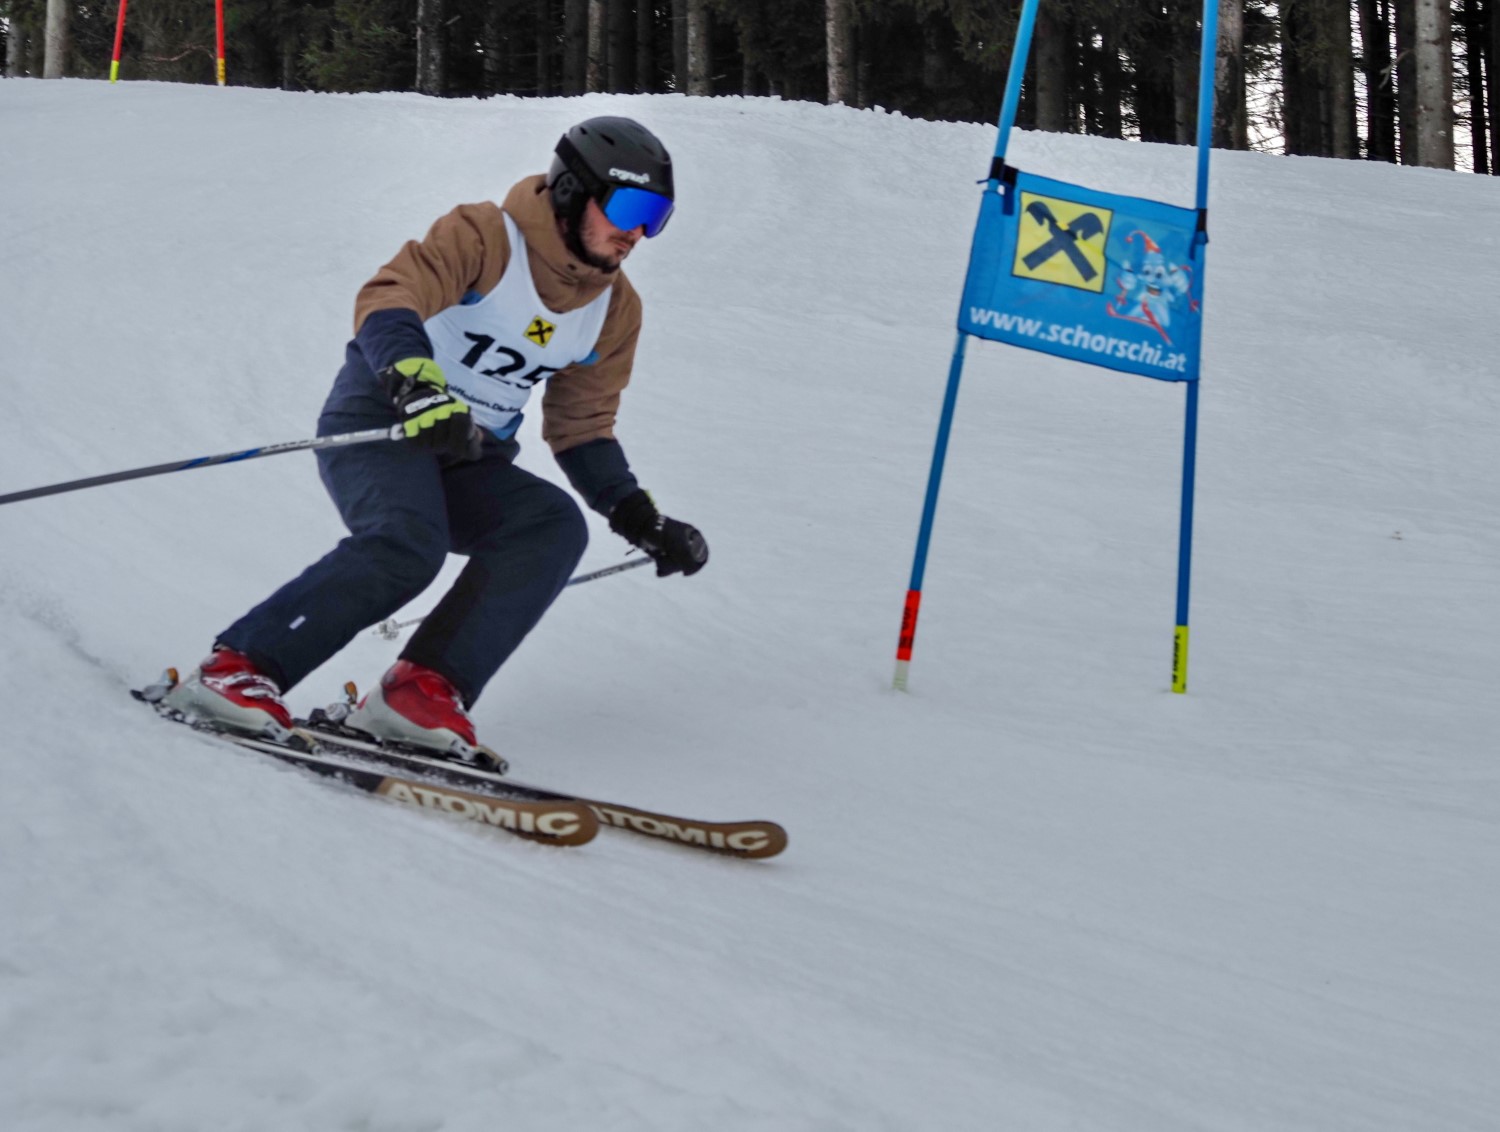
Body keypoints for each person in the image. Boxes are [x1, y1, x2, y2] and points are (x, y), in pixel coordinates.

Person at [163, 116, 708, 758]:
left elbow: (581, 426)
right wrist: (417, 383)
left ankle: (416, 693)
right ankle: (236, 670)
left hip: (467, 453)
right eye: (630, 209)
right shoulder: (486, 236)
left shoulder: (614, 310)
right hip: (384, 418)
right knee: (407, 543)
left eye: (657, 218)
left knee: (551, 527)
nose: (638, 233)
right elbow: (391, 295)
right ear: (572, 190)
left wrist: (636, 515)